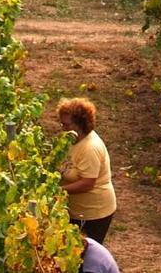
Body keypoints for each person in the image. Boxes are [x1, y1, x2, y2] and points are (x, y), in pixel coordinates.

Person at [57, 97, 116, 243]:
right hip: (76, 211)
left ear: (80, 124)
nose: (62, 127)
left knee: (85, 257)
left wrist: (59, 190)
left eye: (66, 124)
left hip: (93, 213)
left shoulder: (90, 147)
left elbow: (87, 183)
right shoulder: (70, 139)